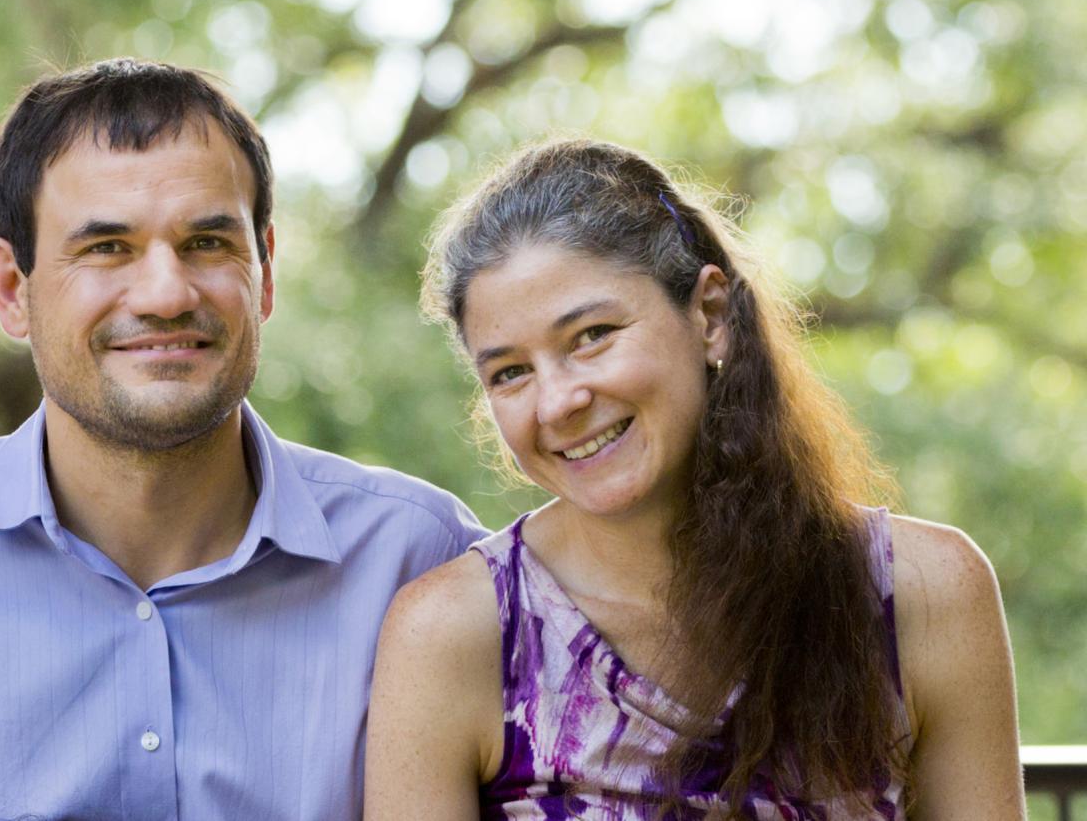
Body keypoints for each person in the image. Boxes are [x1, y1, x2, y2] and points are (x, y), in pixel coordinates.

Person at [0, 58, 486, 820]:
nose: (166, 293)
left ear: (265, 272)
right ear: (14, 290)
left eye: (208, 243)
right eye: (107, 247)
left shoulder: (422, 559)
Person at [364, 139, 1026, 819]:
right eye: (510, 372)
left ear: (710, 315)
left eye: (591, 335)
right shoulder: (454, 633)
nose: (557, 401)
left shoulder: (923, 592)